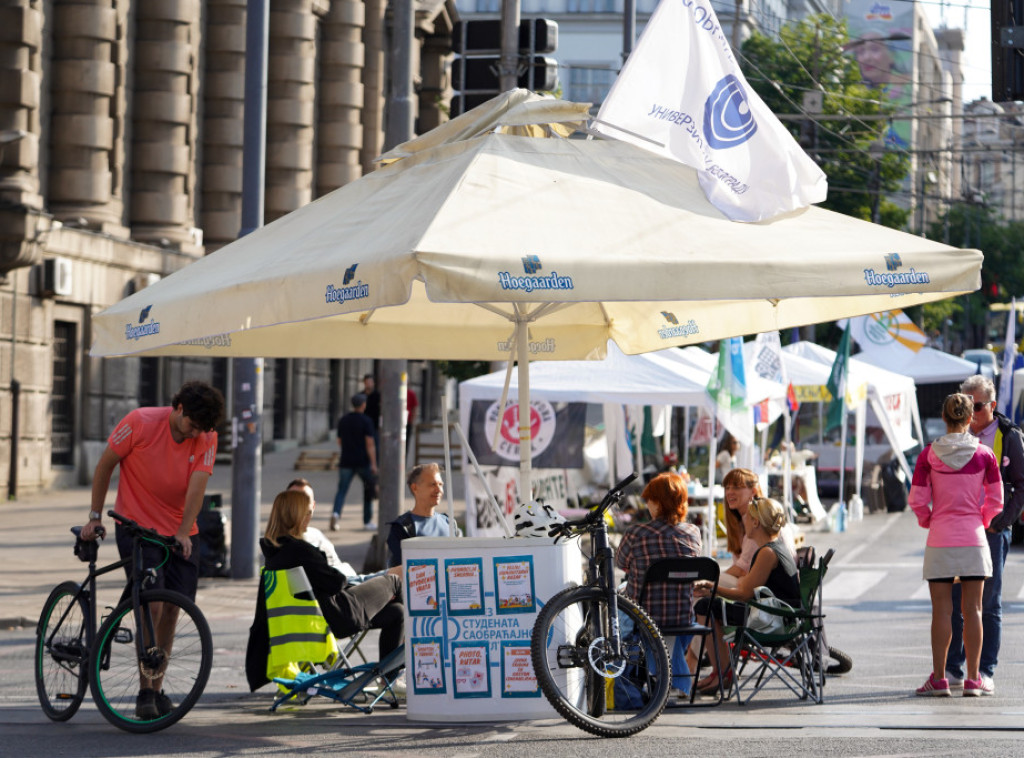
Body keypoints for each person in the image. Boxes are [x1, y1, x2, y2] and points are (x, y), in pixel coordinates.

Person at [80, 380, 225, 719]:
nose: (195, 433)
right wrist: (94, 516)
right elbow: (105, 465)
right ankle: (145, 691)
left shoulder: (206, 436)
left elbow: (197, 487)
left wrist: (183, 532)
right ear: (179, 408)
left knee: (174, 608)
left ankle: (157, 688)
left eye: (201, 429)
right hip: (137, 527)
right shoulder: (140, 422)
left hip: (180, 531)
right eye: (191, 424)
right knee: (153, 605)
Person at [911, 393, 1003, 697]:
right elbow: (997, 499)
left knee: (941, 610)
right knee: (974, 609)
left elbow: (917, 499)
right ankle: (974, 679)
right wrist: (983, 519)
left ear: (944, 417)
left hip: (940, 537)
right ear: (969, 418)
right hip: (973, 538)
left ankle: (940, 678)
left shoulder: (928, 455)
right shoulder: (985, 454)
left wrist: (928, 520)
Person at [944, 376, 1024, 695]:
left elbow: (1021, 484)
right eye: (964, 404)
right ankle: (953, 668)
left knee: (988, 602)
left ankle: (985, 670)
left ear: (992, 406)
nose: (968, 412)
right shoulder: (956, 434)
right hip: (958, 530)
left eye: (975, 406)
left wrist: (1001, 522)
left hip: (990, 532)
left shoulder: (1009, 436)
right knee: (955, 602)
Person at [261, 489, 405, 661]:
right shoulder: (302, 551)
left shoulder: (273, 553)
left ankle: (389, 673)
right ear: (296, 516)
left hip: (311, 619)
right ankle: (415, 657)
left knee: (398, 612)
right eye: (307, 513)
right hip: (338, 614)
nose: (309, 518)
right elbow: (336, 582)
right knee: (395, 581)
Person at [693, 497, 800, 695]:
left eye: (747, 518)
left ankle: (722, 673)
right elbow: (746, 587)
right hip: (781, 614)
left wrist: (711, 587)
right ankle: (721, 672)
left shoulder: (767, 553)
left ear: (756, 522)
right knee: (712, 605)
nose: (744, 522)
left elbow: (743, 594)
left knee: (705, 606)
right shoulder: (776, 547)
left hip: (773, 619)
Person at [615, 472, 701, 696]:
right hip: (683, 616)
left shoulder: (636, 533)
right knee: (672, 630)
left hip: (644, 616)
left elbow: (620, 563)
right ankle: (673, 683)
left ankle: (669, 682)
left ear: (658, 503)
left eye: (649, 500)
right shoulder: (693, 533)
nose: (647, 504)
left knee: (625, 604)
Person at [287, 478, 387, 584]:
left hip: (348, 580)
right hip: (338, 586)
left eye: (305, 500)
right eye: (295, 500)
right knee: (392, 578)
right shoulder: (285, 542)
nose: (300, 506)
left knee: (393, 576)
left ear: (313, 506)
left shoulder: (315, 534)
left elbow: (337, 567)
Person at [387, 463, 462, 568]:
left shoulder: (450, 524)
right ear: (415, 488)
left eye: (441, 484)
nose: (438, 490)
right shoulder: (402, 528)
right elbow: (404, 570)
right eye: (433, 484)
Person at [331, 393, 378, 532]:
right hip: (362, 461)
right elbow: (370, 444)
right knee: (368, 489)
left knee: (342, 490)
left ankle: (335, 514)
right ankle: (367, 521)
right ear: (363, 405)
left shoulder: (343, 420)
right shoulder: (366, 421)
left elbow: (339, 440)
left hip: (346, 460)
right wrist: (374, 464)